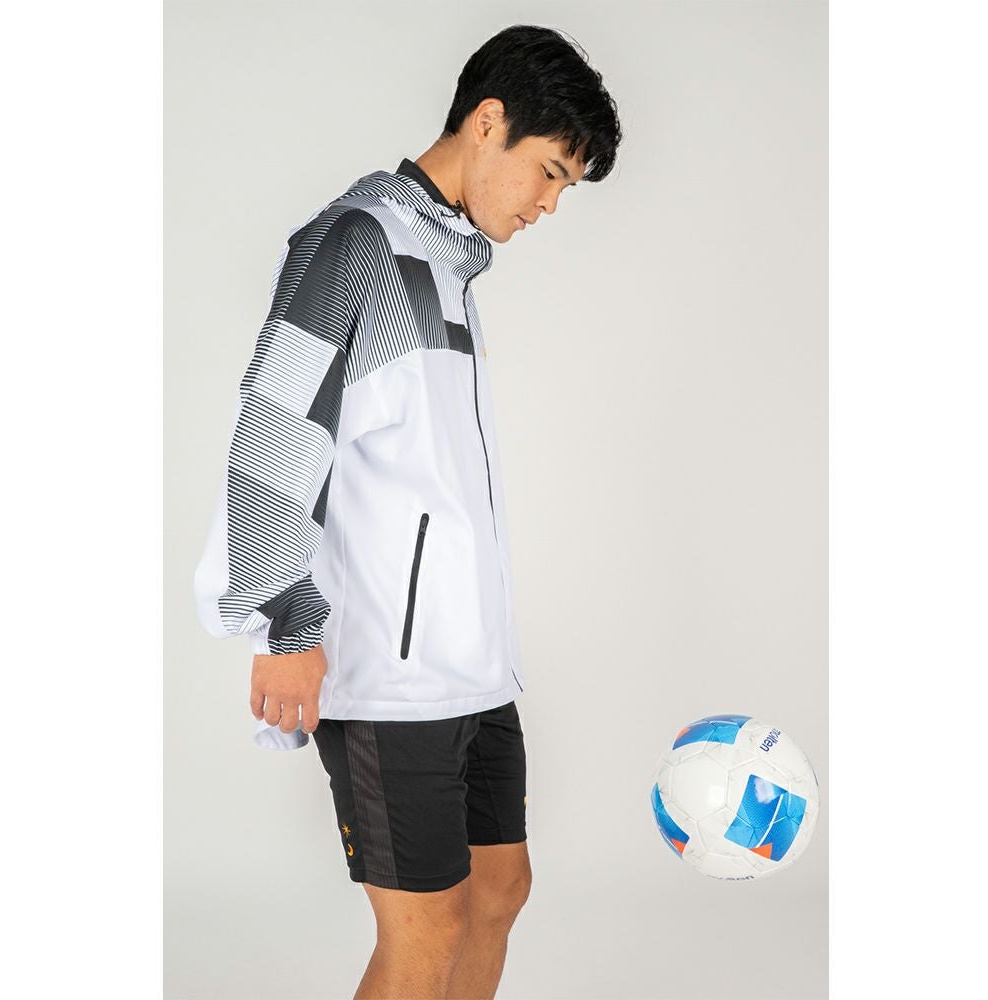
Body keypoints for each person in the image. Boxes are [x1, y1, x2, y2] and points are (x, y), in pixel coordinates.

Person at [193, 22, 622, 999]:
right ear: (488, 121)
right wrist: (282, 618)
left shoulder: (447, 260)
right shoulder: (359, 243)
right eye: (550, 172)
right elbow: (276, 425)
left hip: (470, 666)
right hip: (389, 673)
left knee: (499, 889)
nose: (550, 204)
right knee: (424, 931)